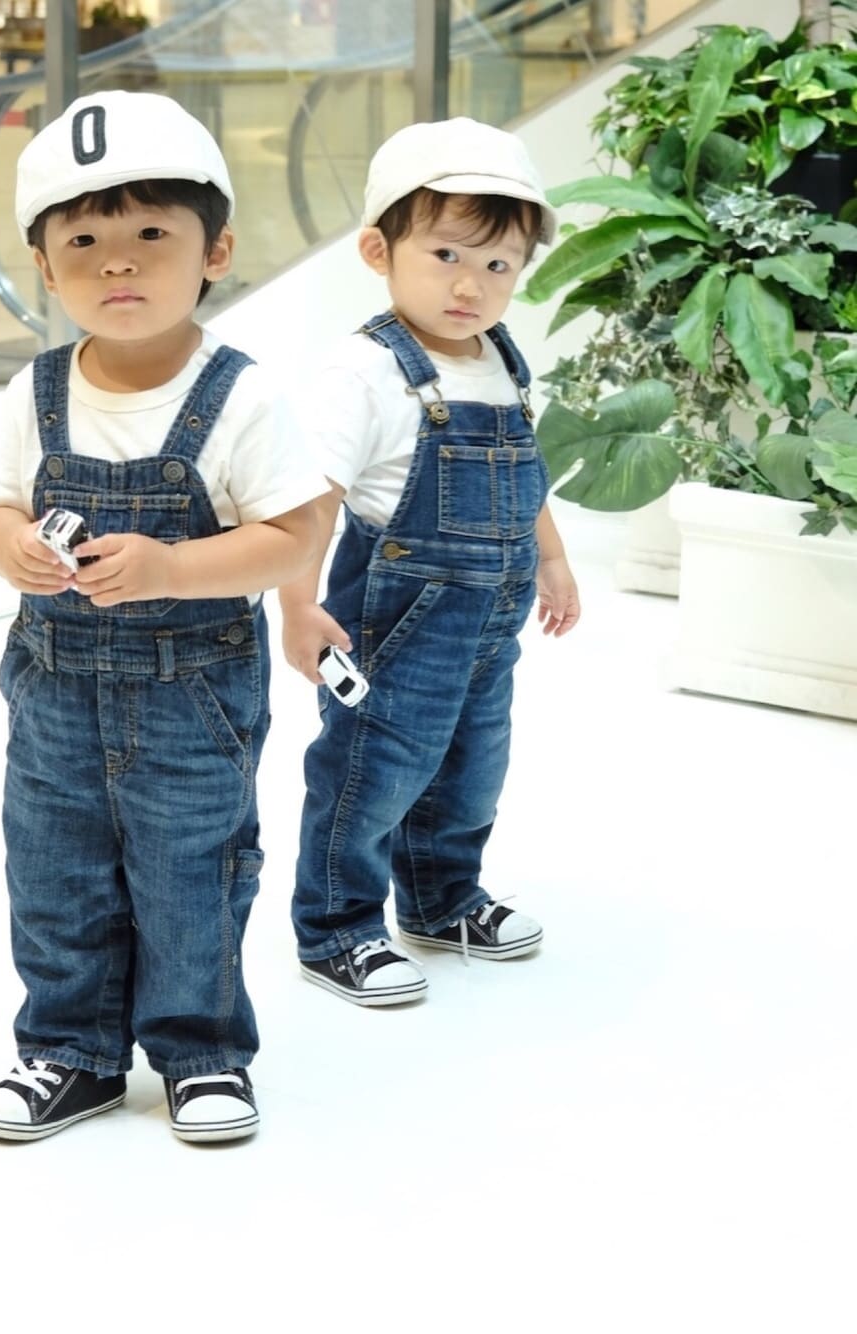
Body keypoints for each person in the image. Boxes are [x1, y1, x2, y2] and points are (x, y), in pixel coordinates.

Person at [0, 90, 326, 1140]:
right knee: (55, 870)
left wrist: (172, 563)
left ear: (216, 250)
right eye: (83, 241)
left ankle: (201, 1053)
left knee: (189, 870)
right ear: (45, 267)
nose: (116, 263)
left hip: (191, 697)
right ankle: (67, 1050)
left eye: (151, 236)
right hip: (52, 693)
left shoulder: (242, 396)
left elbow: (294, 538)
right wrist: (12, 548)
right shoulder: (32, 392)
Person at [281, 117, 581, 1006]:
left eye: (498, 265)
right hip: (395, 619)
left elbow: (526, 472)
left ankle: (442, 900)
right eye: (446, 254)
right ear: (379, 250)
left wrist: (553, 559)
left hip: (490, 620)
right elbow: (311, 500)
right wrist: (296, 604)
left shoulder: (501, 360)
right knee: (373, 768)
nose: (470, 285)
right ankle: (336, 928)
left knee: (471, 766)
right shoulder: (367, 370)